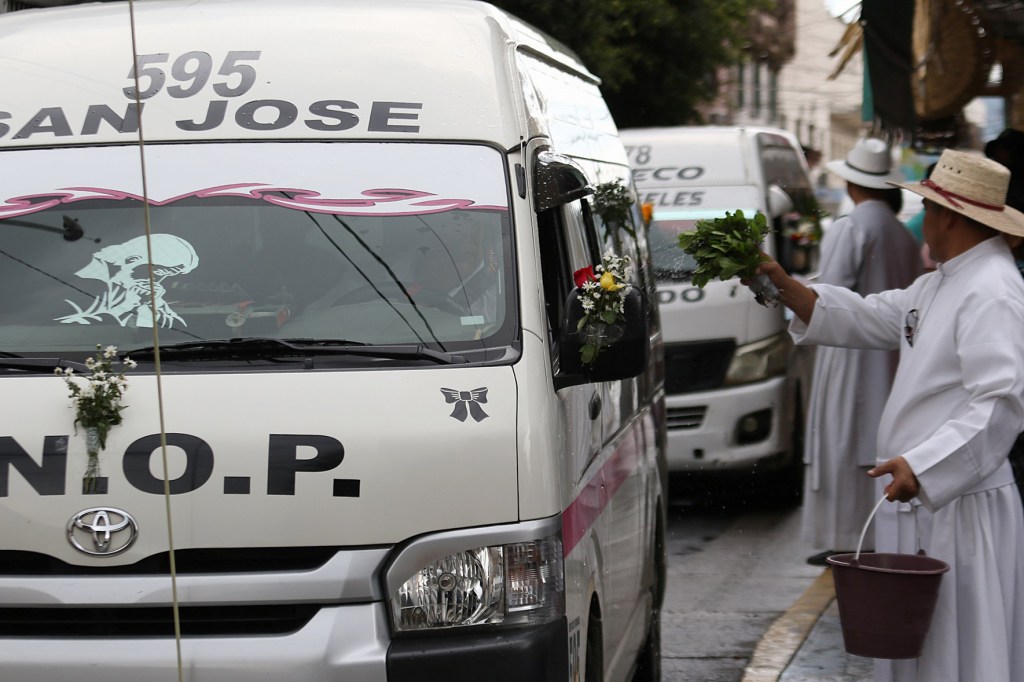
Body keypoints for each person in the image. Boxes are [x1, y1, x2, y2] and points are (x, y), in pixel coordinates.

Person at [748, 148, 1024, 682]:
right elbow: (873, 316)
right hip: (929, 497)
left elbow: (1002, 401)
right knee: (926, 649)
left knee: (959, 647)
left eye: (928, 210)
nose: (922, 220)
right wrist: (784, 284)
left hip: (959, 504)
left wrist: (925, 465)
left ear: (948, 216)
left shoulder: (992, 290)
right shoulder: (946, 279)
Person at [801, 137, 923, 566]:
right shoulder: (902, 234)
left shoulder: (851, 227)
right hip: (892, 349)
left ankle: (845, 537)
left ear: (852, 183)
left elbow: (825, 293)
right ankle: (869, 533)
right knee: (874, 439)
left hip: (850, 343)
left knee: (841, 435)